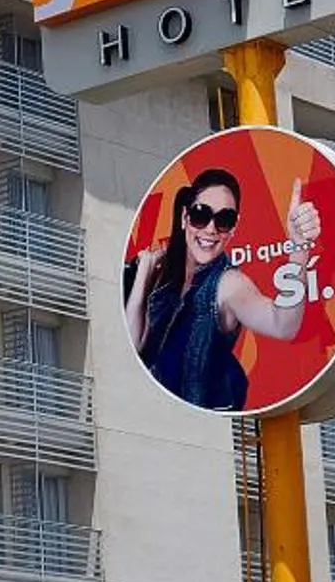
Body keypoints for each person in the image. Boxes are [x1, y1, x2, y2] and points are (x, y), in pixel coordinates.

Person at [123, 166, 322, 411]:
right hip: (154, 417)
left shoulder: (227, 284)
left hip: (204, 425)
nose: (211, 229)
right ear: (185, 217)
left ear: (234, 227)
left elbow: (283, 325)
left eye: (224, 220)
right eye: (201, 214)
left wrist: (299, 248)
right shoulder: (161, 276)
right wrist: (144, 275)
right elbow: (132, 347)